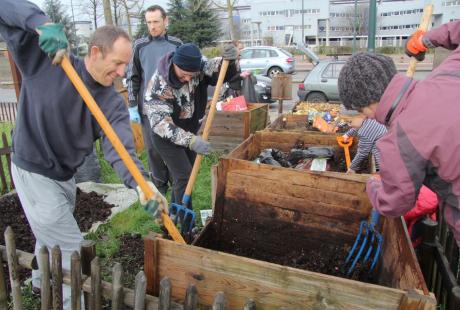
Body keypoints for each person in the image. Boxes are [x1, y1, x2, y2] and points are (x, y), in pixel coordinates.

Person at [0, 0, 167, 307]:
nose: (120, 73)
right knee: (70, 250)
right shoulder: (47, 61)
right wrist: (40, 22)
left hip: (65, 176)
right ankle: (69, 302)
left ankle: (38, 286)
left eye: (124, 67)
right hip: (31, 169)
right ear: (94, 52)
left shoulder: (110, 102)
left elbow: (121, 152)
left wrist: (145, 187)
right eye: (116, 64)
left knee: (48, 235)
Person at [337, 20, 460, 245]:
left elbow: (394, 203)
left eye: (361, 110)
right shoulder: (448, 72)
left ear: (367, 104)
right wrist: (425, 39)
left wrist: (372, 185)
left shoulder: (398, 141)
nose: (368, 117)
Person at [143, 43, 238, 208]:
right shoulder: (159, 84)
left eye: (191, 75)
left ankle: (174, 216)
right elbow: (160, 124)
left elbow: (220, 70)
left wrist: (230, 61)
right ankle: (185, 225)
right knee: (184, 176)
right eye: (184, 74)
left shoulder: (198, 67)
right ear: (175, 64)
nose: (188, 78)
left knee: (183, 178)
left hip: (190, 131)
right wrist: (191, 141)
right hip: (165, 136)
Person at [126, 5, 182, 198]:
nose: (152, 26)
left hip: (171, 107)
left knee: (173, 144)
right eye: (149, 22)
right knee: (152, 148)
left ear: (165, 21)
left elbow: (184, 77)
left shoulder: (176, 44)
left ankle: (177, 180)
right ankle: (159, 183)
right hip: (147, 109)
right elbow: (132, 77)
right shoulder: (140, 46)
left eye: (156, 22)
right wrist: (132, 105)